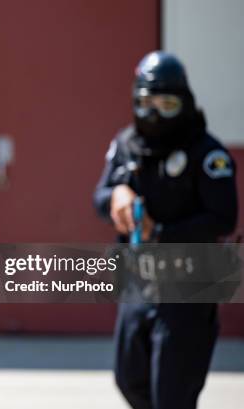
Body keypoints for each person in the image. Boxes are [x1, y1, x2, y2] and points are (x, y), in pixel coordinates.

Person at [93, 51, 237, 409]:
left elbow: (223, 218)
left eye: (166, 104)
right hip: (138, 286)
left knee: (172, 393)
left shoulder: (207, 154)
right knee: (129, 380)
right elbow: (99, 198)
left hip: (187, 288)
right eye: (145, 104)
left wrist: (161, 233)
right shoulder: (126, 146)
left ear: (184, 103)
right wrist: (117, 196)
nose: (154, 115)